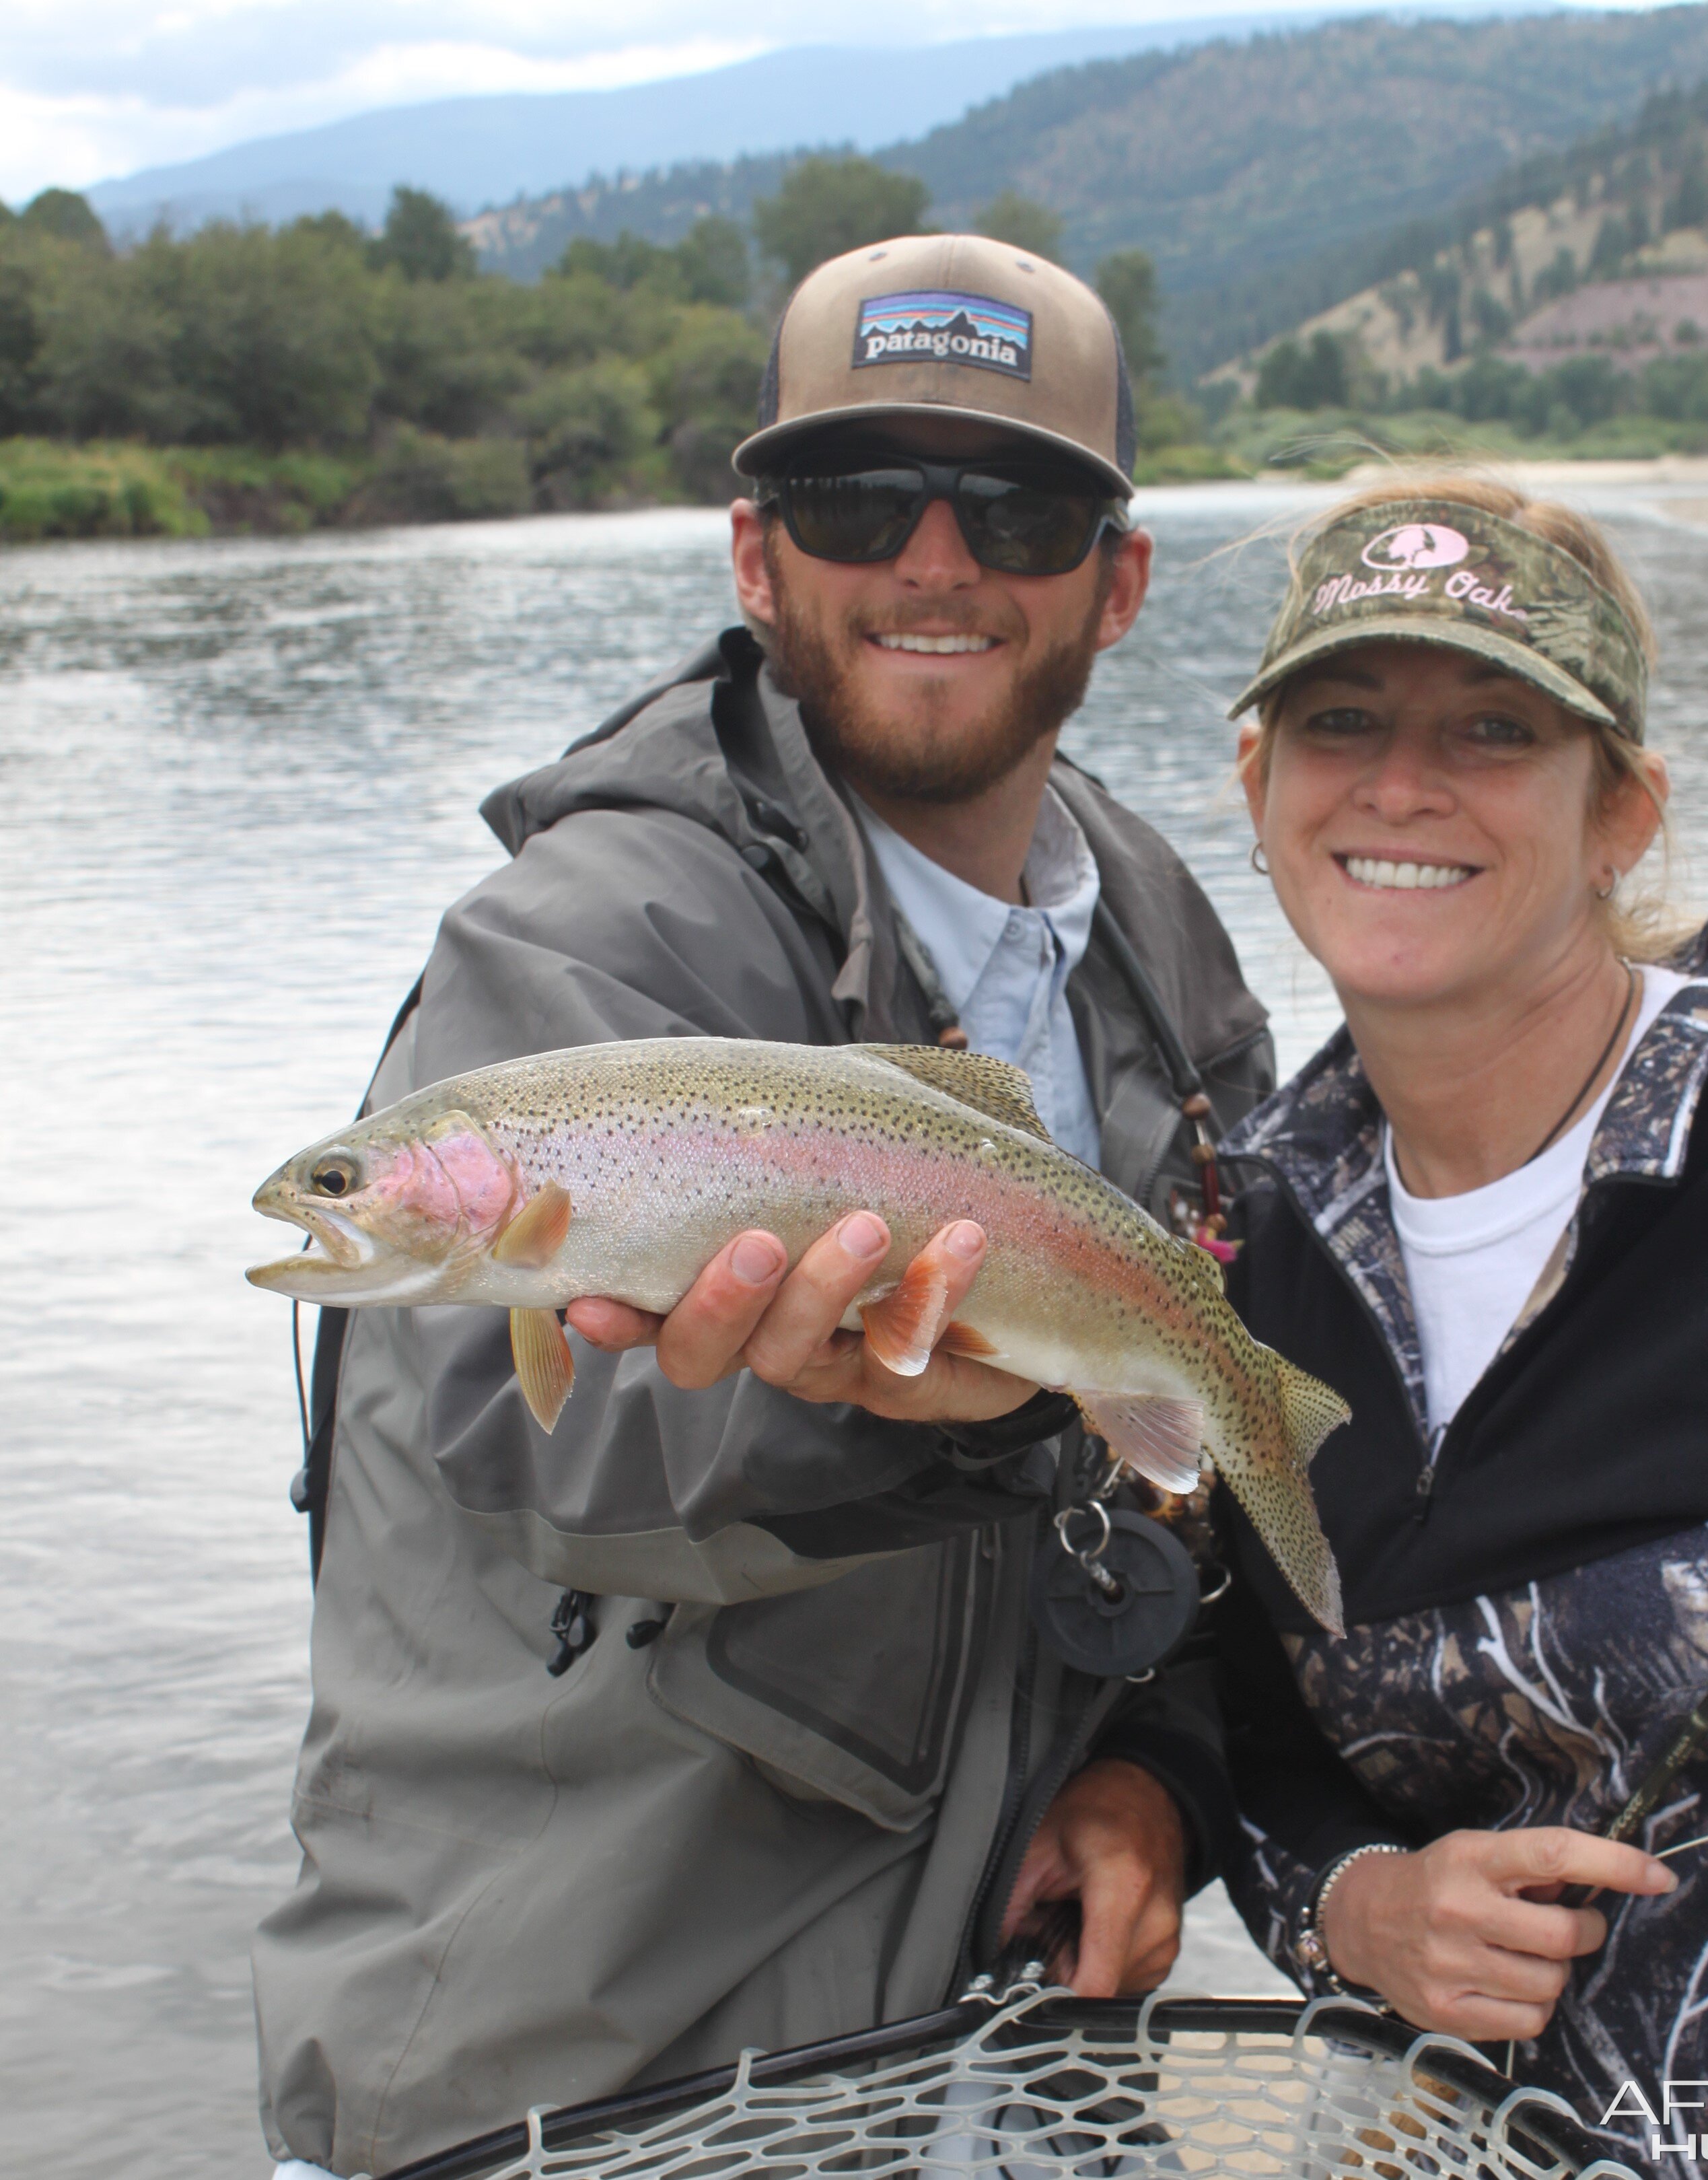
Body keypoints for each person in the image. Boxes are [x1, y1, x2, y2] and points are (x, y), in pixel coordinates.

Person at [254, 234, 1275, 2178]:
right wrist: (873, 1408)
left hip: (1001, 2052)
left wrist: (1160, 1777)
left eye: (1019, 507)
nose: (934, 558)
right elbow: (516, 1446)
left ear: (1118, 580)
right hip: (573, 2077)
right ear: (756, 557)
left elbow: (1187, 1424)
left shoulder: (1157, 935)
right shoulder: (583, 943)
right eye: (854, 495)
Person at [1207, 475, 1708, 2159]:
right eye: (1341, 719)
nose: (1403, 785)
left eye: (1496, 730)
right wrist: (1358, 1909)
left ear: (1623, 809)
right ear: (1257, 783)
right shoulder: (1238, 1239)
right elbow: (1227, 1724)